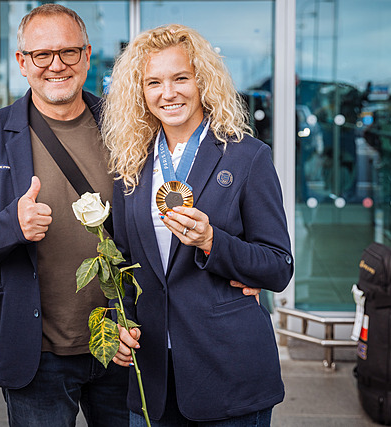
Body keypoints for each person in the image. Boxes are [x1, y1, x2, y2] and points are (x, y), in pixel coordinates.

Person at [0, 5, 129, 426]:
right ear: (22, 62)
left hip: (122, 341)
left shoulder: (126, 128)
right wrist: (13, 225)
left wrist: (230, 261)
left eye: (68, 52)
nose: (56, 65)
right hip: (37, 352)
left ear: (87, 55)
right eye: (42, 54)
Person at [102, 24, 294, 426]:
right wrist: (117, 323)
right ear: (140, 92)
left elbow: (278, 267)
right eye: (153, 82)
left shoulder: (247, 157)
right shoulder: (130, 165)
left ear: (202, 80)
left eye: (180, 78)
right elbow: (122, 264)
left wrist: (212, 241)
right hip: (152, 375)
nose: (167, 93)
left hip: (228, 372)